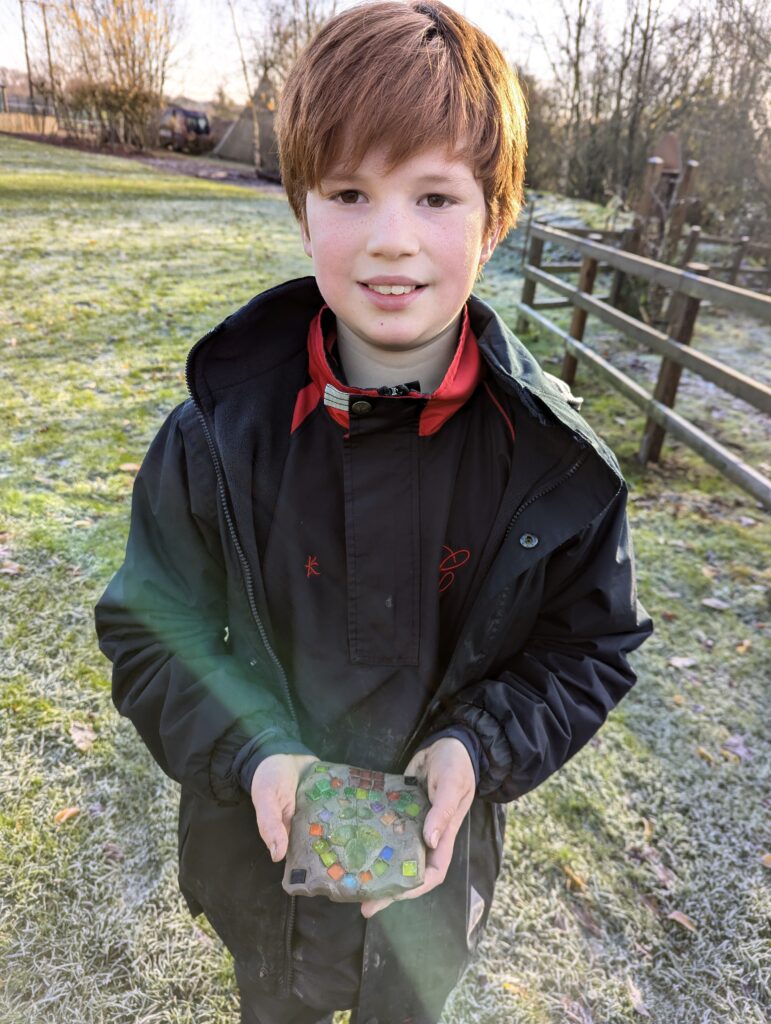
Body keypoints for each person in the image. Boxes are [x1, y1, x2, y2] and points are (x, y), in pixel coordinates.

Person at [94, 3, 652, 1023]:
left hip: (433, 900)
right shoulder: (215, 438)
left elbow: (592, 645)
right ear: (302, 207)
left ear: (497, 216)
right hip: (259, 885)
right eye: (352, 191)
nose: (393, 240)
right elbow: (151, 630)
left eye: (435, 195)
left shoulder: (558, 469)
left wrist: (474, 749)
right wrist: (256, 748)